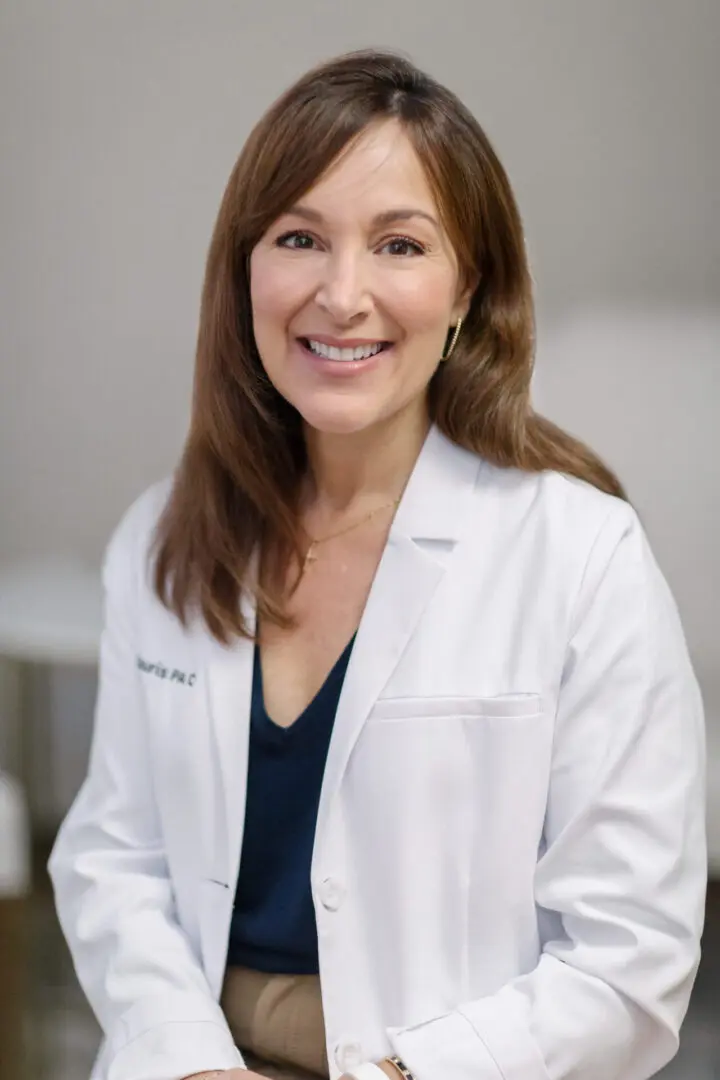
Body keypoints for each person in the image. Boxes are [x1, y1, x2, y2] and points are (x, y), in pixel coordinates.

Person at [49, 48, 707, 1080]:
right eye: (300, 237)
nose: (341, 293)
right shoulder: (166, 537)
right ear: (246, 270)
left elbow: (630, 963)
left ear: (466, 290)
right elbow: (113, 860)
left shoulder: (581, 554)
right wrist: (192, 1062)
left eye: (400, 245)